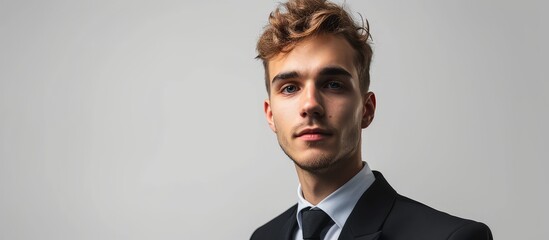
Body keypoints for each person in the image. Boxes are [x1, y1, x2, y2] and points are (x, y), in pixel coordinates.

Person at [250, 0, 493, 239]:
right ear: (270, 115)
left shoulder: (452, 237)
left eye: (333, 84)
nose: (311, 104)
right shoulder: (262, 237)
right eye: (290, 88)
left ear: (366, 109)